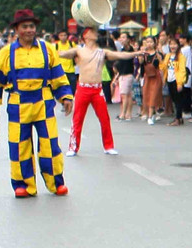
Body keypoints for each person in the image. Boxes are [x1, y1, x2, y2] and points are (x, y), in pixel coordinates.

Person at [0, 9, 73, 197]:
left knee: (50, 145)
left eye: (32, 26)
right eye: (24, 26)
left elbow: (58, 75)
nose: (29, 30)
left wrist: (65, 96)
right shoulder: (6, 53)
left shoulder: (47, 49)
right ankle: (23, 185)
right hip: (18, 103)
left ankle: (56, 183)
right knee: (20, 146)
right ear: (16, 29)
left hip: (44, 102)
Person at [58, 28, 140, 156]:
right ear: (86, 35)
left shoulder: (102, 52)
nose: (95, 33)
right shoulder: (78, 51)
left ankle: (108, 146)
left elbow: (120, 55)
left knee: (104, 119)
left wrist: (137, 53)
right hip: (83, 89)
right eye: (92, 32)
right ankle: (73, 147)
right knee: (77, 119)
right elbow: (61, 54)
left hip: (97, 90)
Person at [160, 37, 188, 126]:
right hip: (169, 79)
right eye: (171, 44)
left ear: (178, 45)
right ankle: (179, 118)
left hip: (177, 80)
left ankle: (177, 119)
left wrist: (180, 83)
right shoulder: (168, 56)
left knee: (178, 100)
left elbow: (182, 70)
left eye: (175, 44)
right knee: (174, 100)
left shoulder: (181, 57)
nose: (173, 46)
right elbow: (163, 67)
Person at [140, 36, 164, 124]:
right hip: (147, 76)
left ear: (155, 43)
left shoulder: (158, 53)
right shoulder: (144, 53)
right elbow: (141, 63)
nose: (149, 44)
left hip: (156, 76)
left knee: (154, 95)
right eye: (147, 42)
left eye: (151, 42)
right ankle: (151, 113)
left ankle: (150, 116)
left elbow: (162, 65)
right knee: (147, 95)